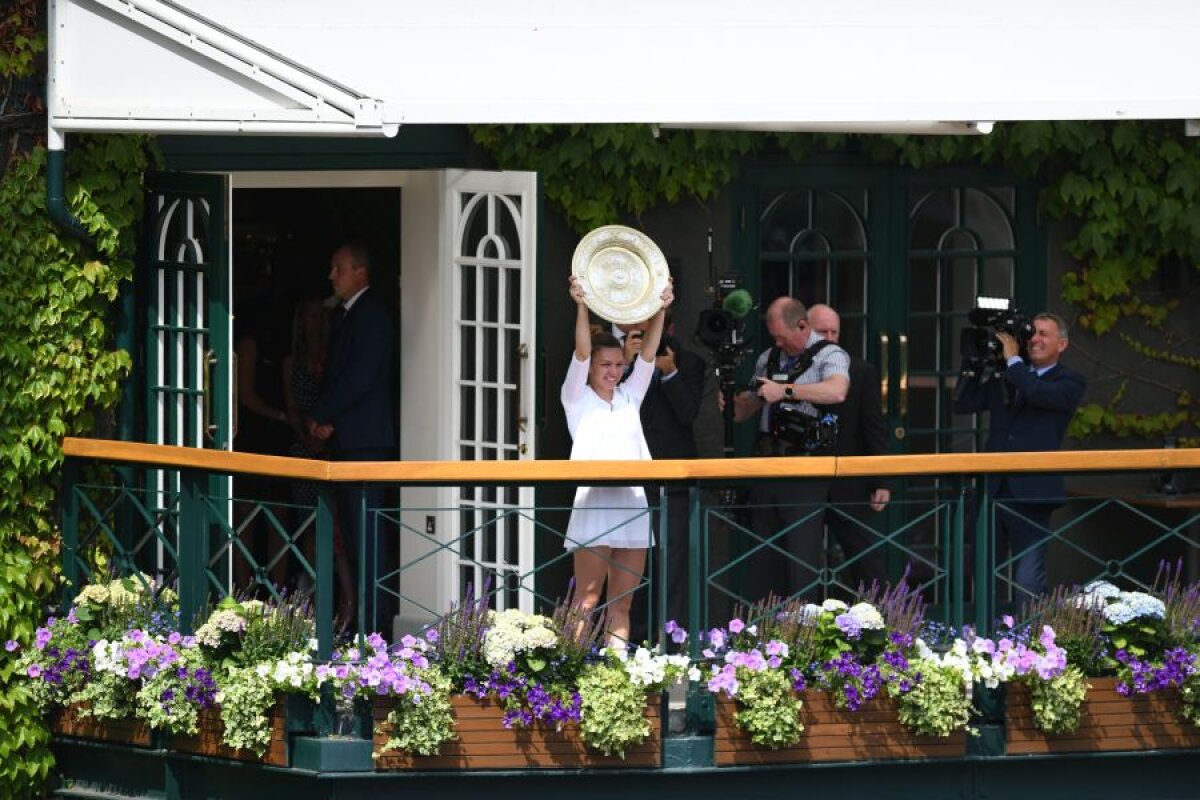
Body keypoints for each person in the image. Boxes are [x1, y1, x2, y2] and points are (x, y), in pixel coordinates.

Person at [562, 275, 673, 646]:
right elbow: (580, 351)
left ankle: (616, 679)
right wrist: (581, 305)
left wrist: (661, 307)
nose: (613, 371)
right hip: (595, 502)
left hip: (632, 502)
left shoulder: (630, 395)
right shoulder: (576, 397)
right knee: (586, 599)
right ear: (591, 368)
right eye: (604, 365)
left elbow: (648, 354)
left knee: (621, 603)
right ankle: (570, 674)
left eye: (616, 365)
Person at [951, 312, 1086, 598]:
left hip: (1033, 490)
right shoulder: (1009, 376)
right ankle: (987, 638)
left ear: (1062, 344)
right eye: (1032, 333)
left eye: (1043, 334)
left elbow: (1037, 393)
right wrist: (974, 360)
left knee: (1027, 576)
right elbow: (963, 403)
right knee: (984, 571)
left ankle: (1034, 638)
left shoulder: (1070, 380)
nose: (1034, 339)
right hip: (993, 488)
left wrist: (1012, 361)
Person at [724, 297, 850, 600]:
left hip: (805, 469)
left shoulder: (830, 354)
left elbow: (837, 391)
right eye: (774, 336)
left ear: (803, 325)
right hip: (767, 465)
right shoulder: (769, 356)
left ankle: (802, 632)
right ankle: (760, 632)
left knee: (801, 558)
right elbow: (743, 413)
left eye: (782, 336)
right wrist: (735, 399)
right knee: (764, 557)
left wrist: (787, 391)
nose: (778, 342)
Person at [308, 243, 397, 632]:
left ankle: (374, 629)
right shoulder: (351, 314)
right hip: (350, 438)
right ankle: (364, 622)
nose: (332, 275)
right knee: (355, 535)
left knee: (367, 537)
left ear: (360, 271)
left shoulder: (372, 315)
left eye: (338, 268)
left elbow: (360, 377)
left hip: (366, 442)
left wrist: (322, 415)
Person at [616, 310, 705, 636]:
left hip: (672, 482)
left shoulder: (690, 362)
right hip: (629, 480)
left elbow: (687, 414)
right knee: (629, 565)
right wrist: (626, 366)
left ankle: (669, 641)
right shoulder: (615, 360)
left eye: (655, 329)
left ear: (670, 327)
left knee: (671, 566)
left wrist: (669, 374)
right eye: (641, 330)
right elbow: (609, 408)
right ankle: (634, 639)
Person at [807, 304, 890, 590]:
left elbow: (873, 427)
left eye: (834, 332)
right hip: (803, 477)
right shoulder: (791, 367)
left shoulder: (860, 370)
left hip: (849, 480)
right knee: (799, 560)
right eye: (822, 331)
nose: (829, 338)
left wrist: (881, 479)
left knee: (865, 557)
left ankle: (883, 620)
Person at [283, 295, 355, 624]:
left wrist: (329, 435)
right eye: (308, 316)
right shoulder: (292, 361)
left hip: (336, 447)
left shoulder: (335, 355)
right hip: (304, 451)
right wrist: (307, 438)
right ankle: (310, 605)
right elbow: (292, 408)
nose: (314, 322)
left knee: (339, 531)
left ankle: (348, 602)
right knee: (310, 528)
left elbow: (346, 395)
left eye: (318, 316)